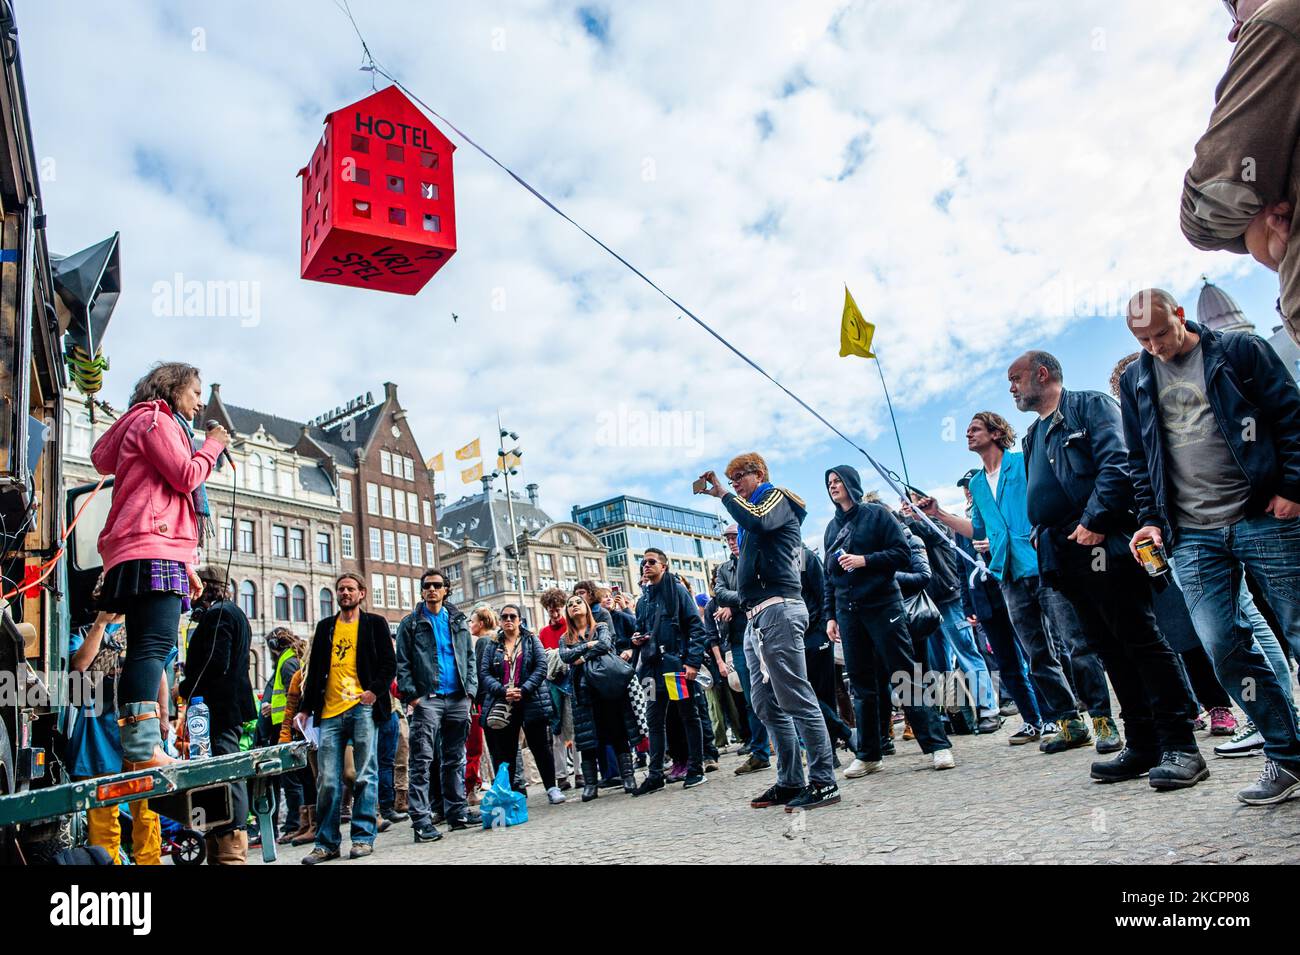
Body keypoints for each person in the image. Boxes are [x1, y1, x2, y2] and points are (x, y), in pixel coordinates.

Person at [1121, 290, 1300, 804]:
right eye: (1142, 340)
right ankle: (1288, 758)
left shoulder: (1238, 352)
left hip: (1262, 514)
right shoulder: (1137, 378)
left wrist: (1292, 488)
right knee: (1223, 645)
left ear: (1181, 316)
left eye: (1161, 333)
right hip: (1192, 534)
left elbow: (1290, 415)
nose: (1155, 346)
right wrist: (1151, 520)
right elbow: (1141, 460)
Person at [1009, 349, 1206, 790]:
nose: (1012, 387)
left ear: (1042, 374)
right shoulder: (1032, 435)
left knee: (1142, 641)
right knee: (1108, 648)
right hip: (1065, 554)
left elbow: (1117, 463)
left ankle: (1181, 745)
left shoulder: (1091, 405)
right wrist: (1044, 535)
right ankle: (1141, 742)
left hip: (1105, 544)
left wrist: (1094, 521)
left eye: (1016, 378)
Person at [917, 412, 1105, 753]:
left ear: (995, 432)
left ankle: (1103, 721)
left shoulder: (1023, 462)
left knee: (1076, 642)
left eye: (974, 429)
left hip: (1042, 563)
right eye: (966, 431)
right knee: (1037, 654)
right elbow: (978, 529)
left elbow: (1048, 501)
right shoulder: (975, 484)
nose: (967, 435)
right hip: (1007, 575)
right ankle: (1069, 723)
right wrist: (939, 514)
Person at [90, 362, 229, 771]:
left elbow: (156, 493)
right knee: (154, 647)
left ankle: (139, 747)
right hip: (151, 545)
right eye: (195, 392)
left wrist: (185, 564)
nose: (200, 402)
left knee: (147, 647)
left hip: (146, 547)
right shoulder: (156, 421)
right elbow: (185, 477)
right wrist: (214, 445)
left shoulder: (144, 423)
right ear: (173, 389)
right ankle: (142, 747)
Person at [697, 453, 840, 811]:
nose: (734, 486)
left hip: (779, 608)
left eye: (738, 478)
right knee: (763, 703)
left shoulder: (777, 498)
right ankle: (790, 779)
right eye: (730, 482)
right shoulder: (748, 516)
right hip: (756, 617)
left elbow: (758, 521)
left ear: (758, 474)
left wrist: (723, 497)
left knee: (796, 698)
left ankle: (824, 781)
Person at [1181, 0, 1300, 348]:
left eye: (1236, 6)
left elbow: (1206, 209)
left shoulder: (1281, 19)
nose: (1234, 31)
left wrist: (1253, 234)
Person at [825, 469, 954, 778]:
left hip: (884, 605)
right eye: (828, 483)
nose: (832, 486)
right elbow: (830, 576)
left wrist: (864, 560)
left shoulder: (877, 516)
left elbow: (900, 553)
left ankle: (937, 745)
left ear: (851, 484)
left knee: (906, 675)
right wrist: (831, 614)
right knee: (861, 684)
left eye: (837, 481)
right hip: (848, 612)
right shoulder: (831, 528)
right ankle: (869, 753)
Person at [298, 573, 396, 864]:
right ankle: (326, 843)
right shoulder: (325, 627)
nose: (345, 593)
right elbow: (314, 671)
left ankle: (363, 838)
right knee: (327, 780)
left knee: (366, 774)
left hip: (362, 707)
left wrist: (373, 692)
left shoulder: (375, 624)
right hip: (329, 712)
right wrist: (305, 709)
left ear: (362, 593)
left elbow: (389, 664)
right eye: (341, 589)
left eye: (350, 589)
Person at [68, 611, 164, 865]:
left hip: (138, 728)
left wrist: (163, 715)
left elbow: (158, 669)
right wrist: (101, 624)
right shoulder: (83, 633)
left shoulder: (142, 628)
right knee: (102, 813)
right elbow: (79, 667)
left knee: (146, 811)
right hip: (98, 732)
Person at [900, 503, 1002, 734]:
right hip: (927, 603)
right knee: (939, 665)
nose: (907, 507)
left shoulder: (936, 525)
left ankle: (989, 709)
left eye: (913, 502)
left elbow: (929, 534)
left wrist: (913, 517)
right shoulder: (909, 531)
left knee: (966, 653)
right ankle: (954, 713)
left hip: (949, 597)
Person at [396, 568, 481, 843]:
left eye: (437, 585)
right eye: (427, 586)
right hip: (428, 699)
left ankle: (456, 813)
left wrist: (470, 692)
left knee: (454, 758)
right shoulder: (410, 624)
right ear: (422, 591)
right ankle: (421, 820)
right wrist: (412, 696)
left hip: (457, 697)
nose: (432, 590)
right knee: (421, 760)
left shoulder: (458, 621)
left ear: (446, 590)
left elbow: (469, 658)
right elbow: (403, 664)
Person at [177, 567, 255, 863]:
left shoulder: (218, 614)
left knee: (223, 768)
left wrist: (186, 686)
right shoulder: (234, 613)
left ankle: (229, 842)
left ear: (205, 588)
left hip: (217, 707)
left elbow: (216, 661)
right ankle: (217, 840)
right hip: (220, 707)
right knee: (212, 770)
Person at [630, 548, 710, 794]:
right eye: (643, 562)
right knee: (653, 720)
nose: (646, 565)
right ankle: (655, 775)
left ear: (663, 566)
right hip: (651, 670)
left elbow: (696, 627)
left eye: (651, 561)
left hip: (675, 666)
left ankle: (696, 769)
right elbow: (641, 629)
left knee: (688, 714)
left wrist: (693, 662)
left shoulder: (677, 591)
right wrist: (636, 639)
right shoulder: (642, 600)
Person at [479, 604, 565, 804]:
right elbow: (485, 673)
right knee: (507, 750)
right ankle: (510, 793)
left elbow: (541, 667)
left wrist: (524, 689)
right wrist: (503, 691)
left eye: (512, 616)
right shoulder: (493, 644)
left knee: (540, 746)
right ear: (500, 621)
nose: (508, 620)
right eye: (504, 616)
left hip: (532, 699)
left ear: (519, 620)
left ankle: (552, 788)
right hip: (504, 702)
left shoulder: (531, 640)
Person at [558, 595, 638, 800]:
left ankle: (628, 777)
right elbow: (565, 656)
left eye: (577, 602)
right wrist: (587, 645)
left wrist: (582, 656)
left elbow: (604, 645)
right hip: (583, 691)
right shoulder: (565, 637)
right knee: (587, 738)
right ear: (567, 612)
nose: (574, 605)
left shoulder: (600, 626)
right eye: (570, 604)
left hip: (607, 685)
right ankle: (591, 785)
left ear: (585, 606)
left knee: (618, 730)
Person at [715, 525, 772, 775]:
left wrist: (734, 602)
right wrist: (742, 600)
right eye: (727, 538)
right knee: (752, 698)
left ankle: (800, 744)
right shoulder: (723, 569)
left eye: (733, 536)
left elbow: (762, 588)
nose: (731, 541)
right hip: (739, 639)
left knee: (781, 690)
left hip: (766, 629)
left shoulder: (756, 555)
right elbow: (719, 593)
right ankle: (760, 752)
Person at [537, 588, 577, 790]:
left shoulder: (570, 628)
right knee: (556, 730)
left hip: (570, 681)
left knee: (575, 727)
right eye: (551, 610)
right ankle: (561, 776)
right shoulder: (543, 632)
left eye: (557, 609)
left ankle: (579, 773)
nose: (554, 613)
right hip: (552, 683)